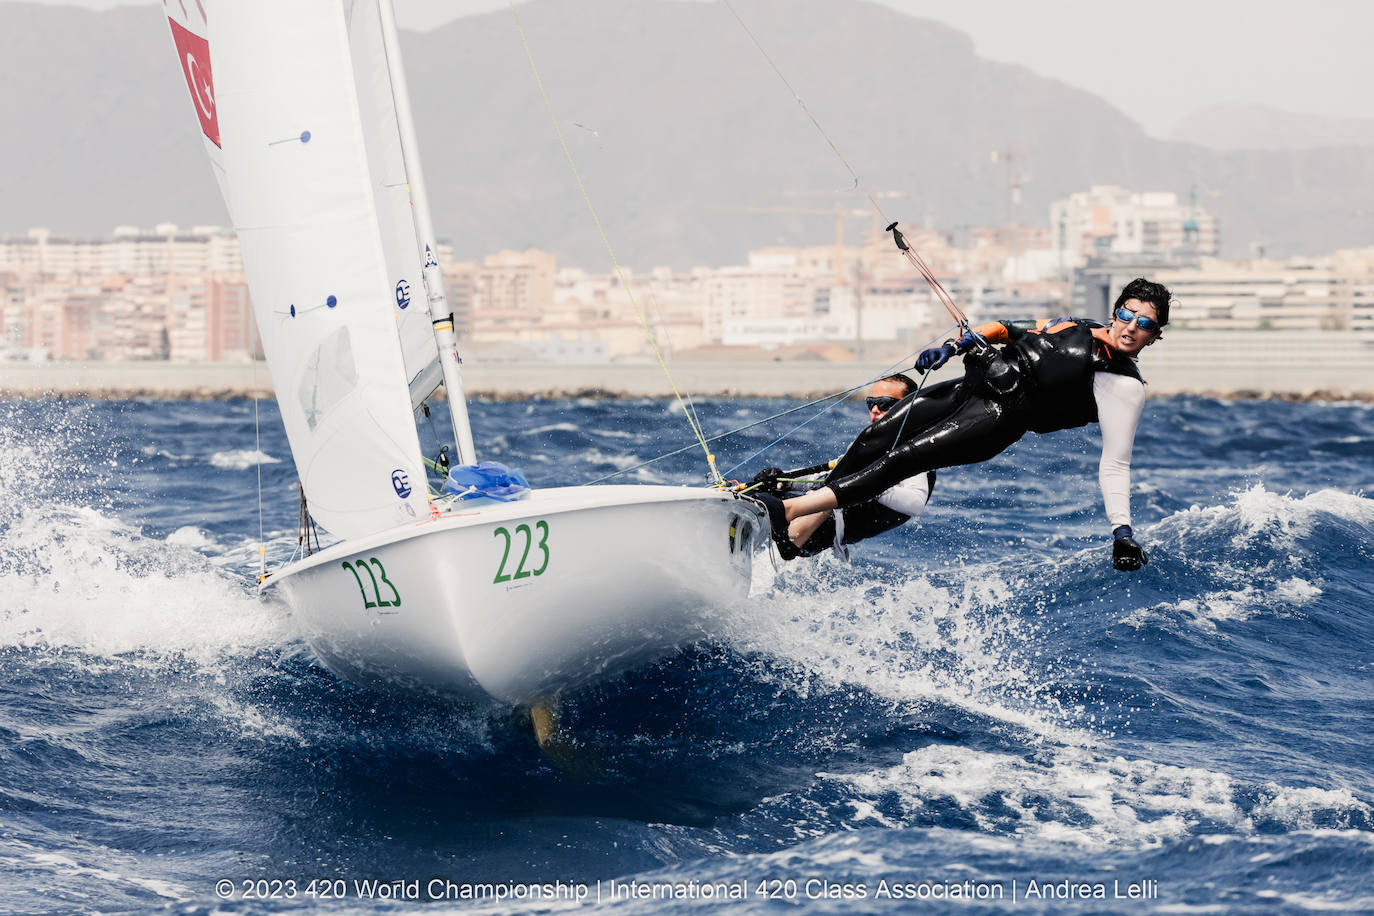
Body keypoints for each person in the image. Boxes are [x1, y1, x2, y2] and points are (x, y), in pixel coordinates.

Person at [757, 277, 1170, 572]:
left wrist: (1122, 532)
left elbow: (1116, 464)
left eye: (1146, 324)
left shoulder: (1122, 385)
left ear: (1155, 335)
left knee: (901, 459)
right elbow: (1006, 329)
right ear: (1116, 311)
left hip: (995, 419)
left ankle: (789, 509)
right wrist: (953, 346)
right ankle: (797, 533)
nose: (1132, 327)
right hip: (970, 388)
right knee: (875, 436)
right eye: (1127, 314)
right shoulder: (1079, 326)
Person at [753, 374, 936, 560]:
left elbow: (915, 503)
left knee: (773, 506)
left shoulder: (915, 448)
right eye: (870, 403)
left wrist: (866, 482)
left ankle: (789, 539)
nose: (874, 410)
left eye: (884, 403)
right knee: (760, 495)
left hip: (822, 529)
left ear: (908, 407)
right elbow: (830, 476)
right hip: (821, 513)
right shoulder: (870, 443)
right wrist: (785, 480)